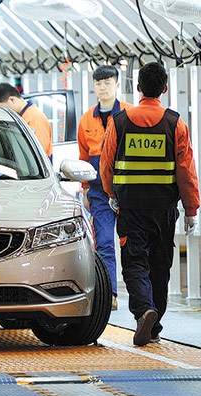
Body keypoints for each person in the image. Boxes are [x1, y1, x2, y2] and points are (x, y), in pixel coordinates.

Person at [100, 62, 200, 346]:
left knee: (134, 263)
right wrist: (191, 210)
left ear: (138, 88)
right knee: (160, 265)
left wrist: (111, 194)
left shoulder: (119, 122)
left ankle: (144, 310)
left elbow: (107, 165)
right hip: (164, 209)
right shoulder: (175, 123)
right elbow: (186, 171)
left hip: (131, 208)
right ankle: (154, 327)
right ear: (165, 89)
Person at [78, 65, 133, 310]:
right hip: (99, 192)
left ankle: (139, 294)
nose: (103, 87)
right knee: (104, 244)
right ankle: (110, 293)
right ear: (94, 86)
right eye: (99, 83)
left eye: (108, 82)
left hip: (128, 190)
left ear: (117, 85)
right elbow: (82, 156)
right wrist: (86, 188)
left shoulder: (130, 114)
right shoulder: (86, 119)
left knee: (132, 243)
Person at [0, 82, 53, 160]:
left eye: (1, 107)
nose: (1, 111)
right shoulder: (21, 117)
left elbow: (39, 155)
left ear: (11, 100)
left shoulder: (34, 118)